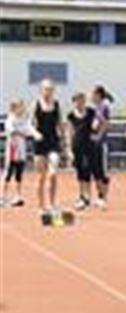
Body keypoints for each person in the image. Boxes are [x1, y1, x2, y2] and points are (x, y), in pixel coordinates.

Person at [3, 98, 42, 207]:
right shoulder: (10, 119)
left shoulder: (25, 120)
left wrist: (36, 134)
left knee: (19, 175)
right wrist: (24, 134)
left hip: (21, 150)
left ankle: (18, 196)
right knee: (8, 174)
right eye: (19, 106)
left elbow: (30, 129)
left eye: (22, 106)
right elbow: (13, 131)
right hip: (12, 149)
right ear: (14, 108)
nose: (22, 108)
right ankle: (3, 196)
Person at [32, 79, 63, 217]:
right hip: (40, 142)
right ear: (41, 90)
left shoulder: (56, 105)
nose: (48, 91)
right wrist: (35, 133)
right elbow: (30, 124)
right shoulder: (36, 104)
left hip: (53, 142)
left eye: (50, 89)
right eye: (45, 89)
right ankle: (41, 206)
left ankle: (52, 205)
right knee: (41, 177)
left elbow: (60, 123)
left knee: (53, 174)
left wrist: (64, 139)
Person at [65, 92, 98, 211]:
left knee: (87, 170)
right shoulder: (70, 115)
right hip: (76, 146)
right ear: (73, 102)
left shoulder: (91, 112)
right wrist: (68, 149)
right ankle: (82, 195)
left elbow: (99, 123)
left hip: (89, 145)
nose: (80, 103)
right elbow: (69, 132)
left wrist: (97, 131)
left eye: (82, 100)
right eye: (77, 101)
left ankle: (88, 196)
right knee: (79, 171)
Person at [89, 85, 114, 210]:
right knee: (96, 171)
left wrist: (99, 135)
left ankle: (103, 198)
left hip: (102, 143)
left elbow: (107, 124)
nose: (91, 96)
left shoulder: (105, 106)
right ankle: (99, 197)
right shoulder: (94, 107)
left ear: (98, 95)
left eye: (92, 94)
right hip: (92, 143)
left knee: (103, 172)